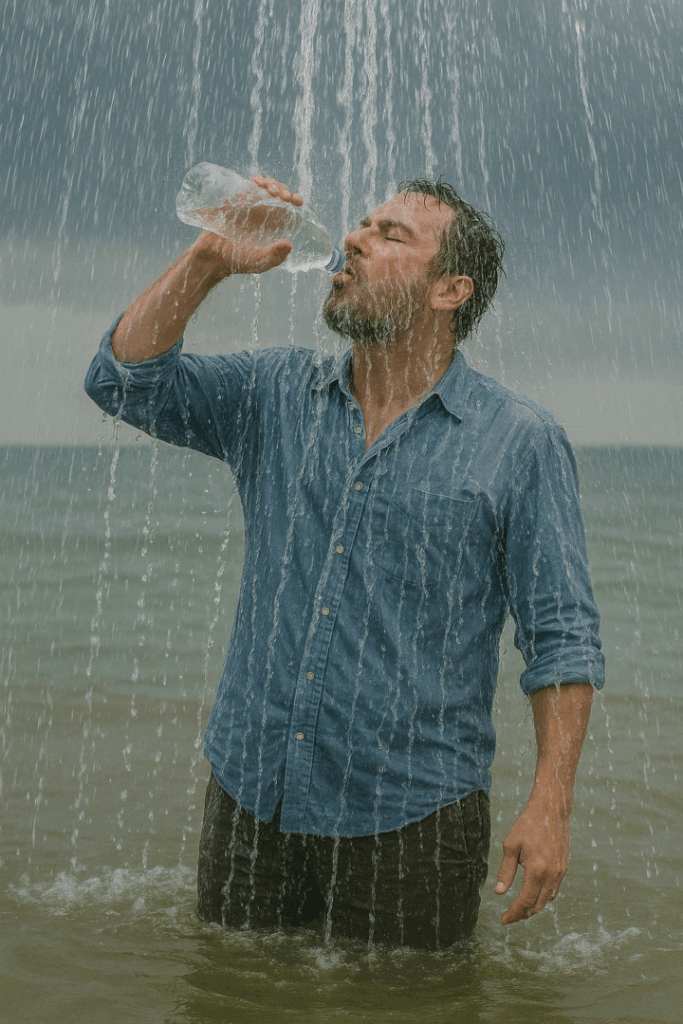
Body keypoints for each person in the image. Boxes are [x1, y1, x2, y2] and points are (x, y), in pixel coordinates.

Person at [84, 175, 604, 950]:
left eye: (391, 235)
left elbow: (560, 635)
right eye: (360, 225)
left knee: (411, 1010)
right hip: (252, 795)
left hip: (414, 818)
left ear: (448, 290)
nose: (355, 238)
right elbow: (122, 382)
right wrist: (207, 261)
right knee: (231, 1002)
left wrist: (549, 804)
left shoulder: (518, 440)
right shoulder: (273, 392)